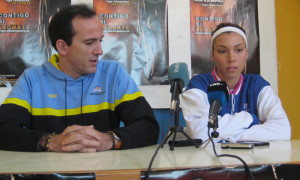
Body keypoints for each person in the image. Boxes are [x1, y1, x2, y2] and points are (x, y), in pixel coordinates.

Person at [0, 4, 159, 152]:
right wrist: (50, 141)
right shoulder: (32, 80)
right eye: (90, 42)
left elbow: (149, 127)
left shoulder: (113, 73)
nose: (100, 50)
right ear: (62, 47)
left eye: (100, 40)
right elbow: (3, 129)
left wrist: (110, 140)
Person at [181, 22, 291, 142]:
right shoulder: (199, 85)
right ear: (213, 55)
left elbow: (283, 129)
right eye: (222, 51)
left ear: (246, 54)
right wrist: (250, 119)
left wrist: (233, 137)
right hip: (212, 160)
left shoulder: (257, 85)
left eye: (238, 50)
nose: (231, 58)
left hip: (254, 160)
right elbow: (200, 132)